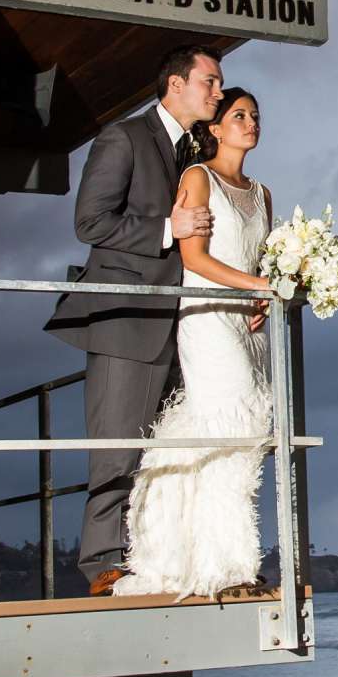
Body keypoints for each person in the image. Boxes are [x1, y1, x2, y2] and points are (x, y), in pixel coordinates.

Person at [45, 44, 224, 595]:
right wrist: (168, 229)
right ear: (176, 84)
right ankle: (101, 564)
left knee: (167, 449)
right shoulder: (123, 137)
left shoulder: (197, 148)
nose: (218, 92)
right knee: (117, 448)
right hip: (127, 322)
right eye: (210, 82)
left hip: (185, 324)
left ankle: (157, 555)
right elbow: (90, 221)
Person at [115, 88, 276, 599]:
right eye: (239, 115)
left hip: (248, 323)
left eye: (254, 116)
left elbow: (259, 260)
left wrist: (266, 293)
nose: (250, 123)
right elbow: (196, 259)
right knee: (226, 425)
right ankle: (225, 567)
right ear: (214, 129)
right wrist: (257, 286)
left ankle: (219, 553)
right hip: (208, 318)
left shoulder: (263, 192)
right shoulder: (197, 178)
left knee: (247, 430)